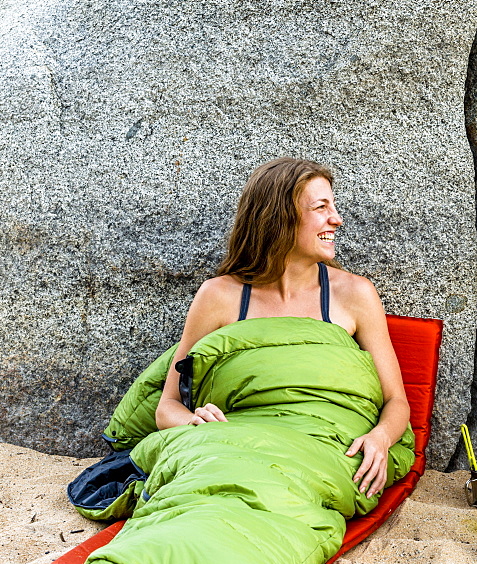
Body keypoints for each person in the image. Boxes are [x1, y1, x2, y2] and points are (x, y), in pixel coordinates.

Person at [155, 157, 410, 498]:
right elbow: (167, 407)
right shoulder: (219, 296)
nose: (337, 219)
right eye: (321, 207)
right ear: (279, 218)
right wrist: (195, 423)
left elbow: (396, 401)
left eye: (333, 206)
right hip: (237, 444)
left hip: (321, 449)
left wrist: (380, 437)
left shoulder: (354, 294)